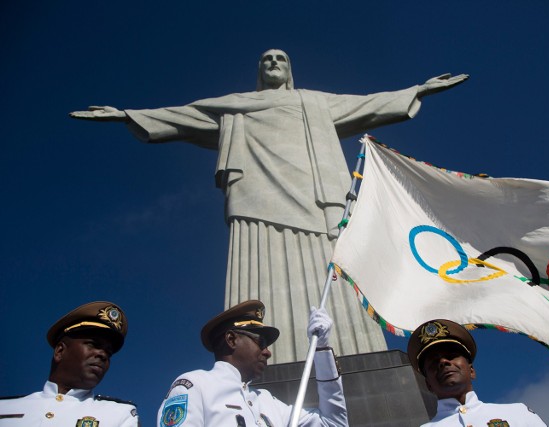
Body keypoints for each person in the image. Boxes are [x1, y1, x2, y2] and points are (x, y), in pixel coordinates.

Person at [70, 49, 469, 363]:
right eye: (267, 59)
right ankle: (264, 353)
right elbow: (185, 116)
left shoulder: (314, 102)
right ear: (259, 70)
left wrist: (418, 90)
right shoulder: (237, 104)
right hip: (256, 202)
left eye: (281, 59)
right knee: (262, 267)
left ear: (289, 70)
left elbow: (368, 104)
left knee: (329, 265)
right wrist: (126, 115)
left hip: (319, 199)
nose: (274, 63)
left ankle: (353, 351)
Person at [157, 299, 347, 426]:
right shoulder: (195, 386)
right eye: (261, 342)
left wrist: (321, 349)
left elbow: (333, 423)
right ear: (231, 339)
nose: (267, 352)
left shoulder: (267, 401)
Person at [0, 301, 139, 426]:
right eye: (93, 344)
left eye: (108, 353)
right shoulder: (5, 408)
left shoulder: (119, 415)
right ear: (60, 351)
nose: (103, 355)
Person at [407, 319, 547, 426]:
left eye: (451, 356)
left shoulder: (518, 414)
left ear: (472, 370)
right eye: (434, 362)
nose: (443, 362)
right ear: (428, 385)